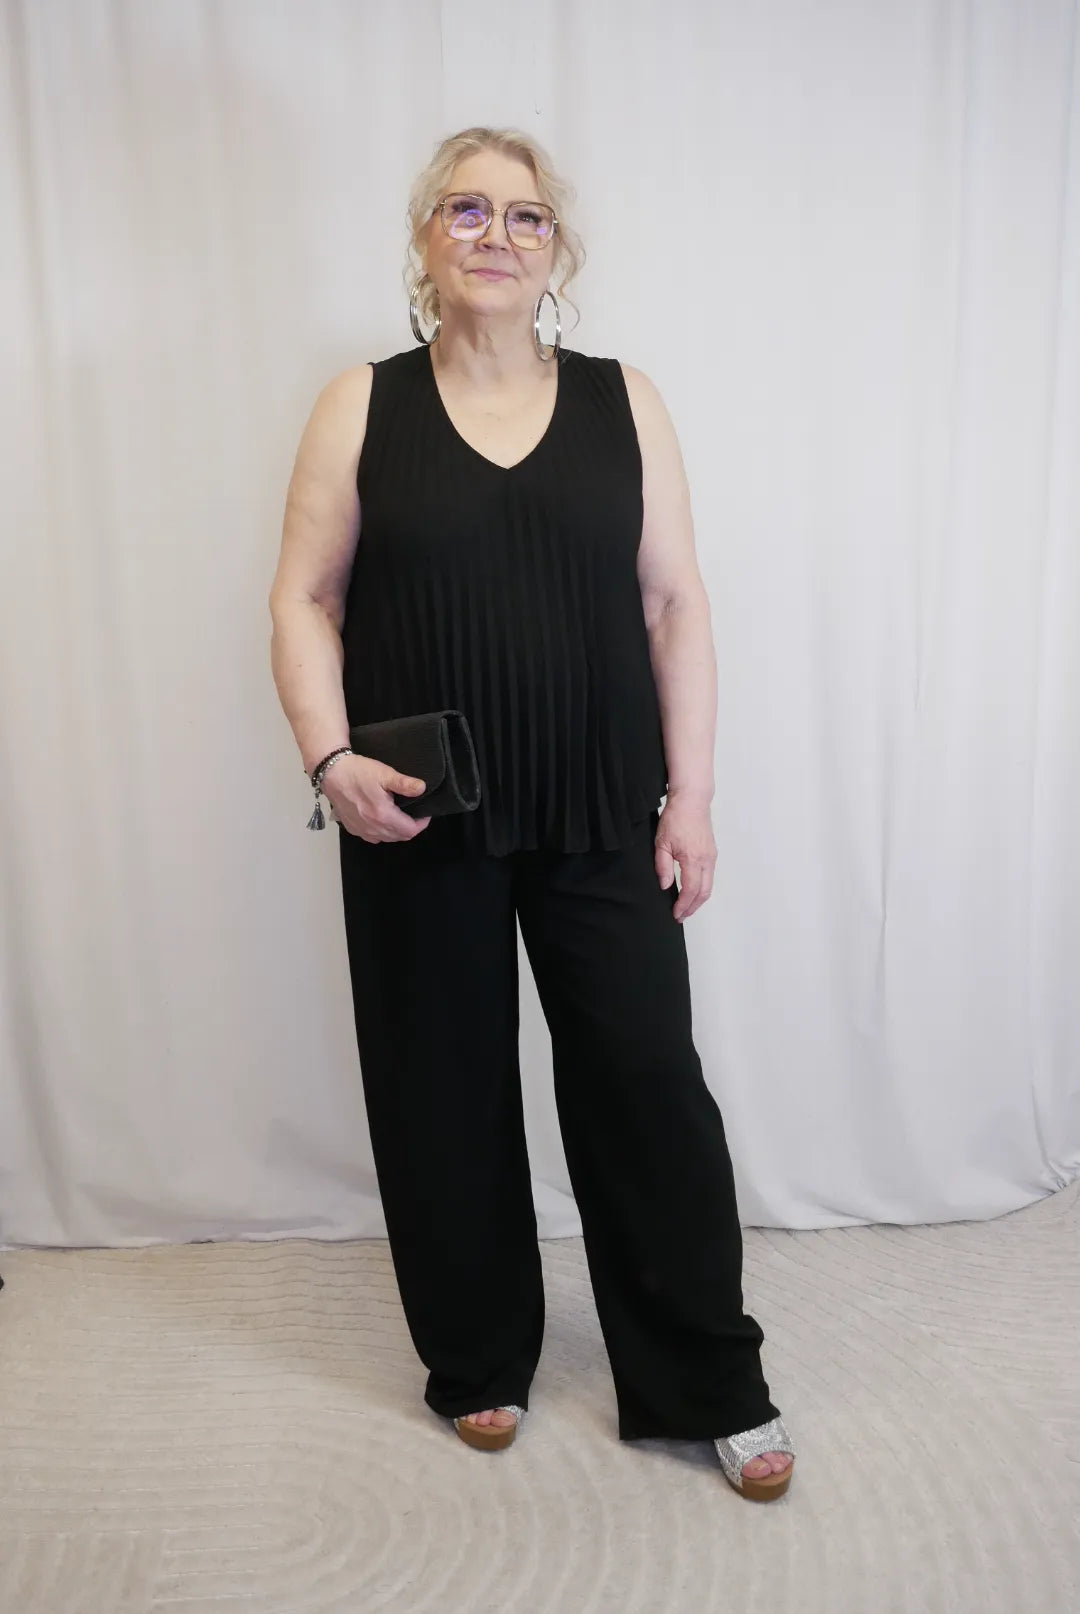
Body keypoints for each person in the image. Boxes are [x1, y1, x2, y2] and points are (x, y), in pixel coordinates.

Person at [269, 126, 795, 1502]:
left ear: (557, 250)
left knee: (646, 1087)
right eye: (466, 210)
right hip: (417, 808)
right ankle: (479, 1356)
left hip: (603, 802)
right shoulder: (359, 405)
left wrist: (693, 797)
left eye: (523, 216)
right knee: (439, 1088)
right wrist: (328, 759)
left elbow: (674, 605)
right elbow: (305, 596)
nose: (495, 235)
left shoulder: (627, 401)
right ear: (425, 239)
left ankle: (706, 1378)